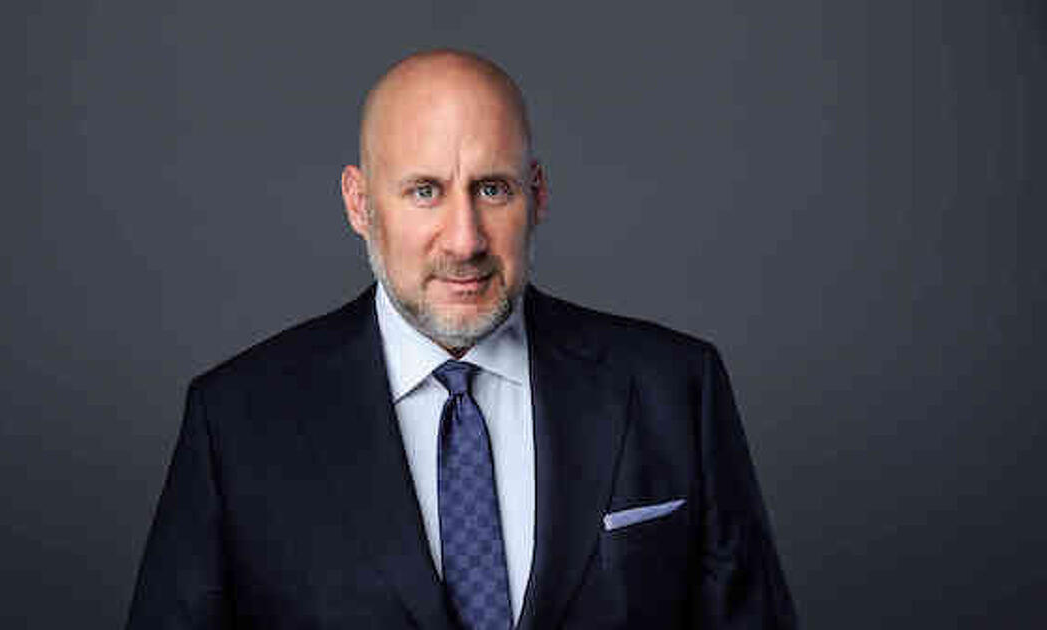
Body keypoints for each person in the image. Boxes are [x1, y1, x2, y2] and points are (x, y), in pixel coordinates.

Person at [126, 49, 797, 629]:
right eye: (425, 192)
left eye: (492, 189)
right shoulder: (236, 421)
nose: (465, 239)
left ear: (537, 193)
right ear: (359, 203)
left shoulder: (674, 388)